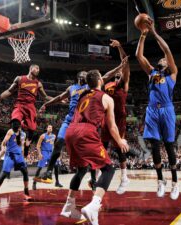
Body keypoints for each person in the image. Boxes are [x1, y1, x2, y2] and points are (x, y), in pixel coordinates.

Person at [38, 59, 128, 186]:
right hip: (70, 119)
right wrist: (46, 104)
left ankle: (93, 178)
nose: (84, 75)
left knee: (90, 152)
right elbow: (59, 98)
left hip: (85, 121)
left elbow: (106, 76)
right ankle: (48, 173)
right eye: (82, 74)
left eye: (87, 74)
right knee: (58, 143)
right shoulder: (72, 88)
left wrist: (119, 67)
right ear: (78, 77)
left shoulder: (89, 88)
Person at [60, 70, 129, 224]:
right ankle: (94, 205)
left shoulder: (83, 93)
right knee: (108, 168)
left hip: (71, 131)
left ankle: (68, 206)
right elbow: (111, 127)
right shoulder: (106, 98)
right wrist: (120, 141)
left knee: (82, 169)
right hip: (86, 131)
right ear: (99, 80)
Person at [136, 18, 179, 200]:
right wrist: (142, 37)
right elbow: (139, 56)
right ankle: (160, 180)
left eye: (164, 60)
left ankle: (175, 182)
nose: (162, 60)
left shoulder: (173, 74)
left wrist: (154, 32)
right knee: (154, 145)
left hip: (167, 110)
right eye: (160, 59)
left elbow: (167, 50)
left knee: (169, 146)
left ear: (168, 64)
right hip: (152, 110)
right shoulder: (152, 72)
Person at [0, 64, 52, 160]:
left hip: (30, 107)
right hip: (20, 105)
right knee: (15, 123)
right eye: (36, 68)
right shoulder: (19, 79)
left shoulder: (38, 83)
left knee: (32, 130)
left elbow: (45, 97)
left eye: (39, 69)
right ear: (31, 68)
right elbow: (9, 91)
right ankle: (18, 138)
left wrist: (58, 99)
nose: (38, 70)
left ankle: (26, 147)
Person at [101, 39, 131, 195]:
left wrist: (119, 46)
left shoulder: (123, 83)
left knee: (119, 149)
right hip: (107, 117)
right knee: (102, 146)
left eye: (122, 72)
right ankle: (100, 176)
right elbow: (105, 76)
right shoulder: (106, 85)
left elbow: (125, 62)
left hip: (119, 119)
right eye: (118, 72)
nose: (120, 72)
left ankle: (124, 178)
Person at [0, 126, 31, 201]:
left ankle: (26, 193)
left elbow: (22, 146)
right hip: (10, 155)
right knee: (4, 174)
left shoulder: (24, 134)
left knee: (25, 172)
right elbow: (3, 142)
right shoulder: (11, 131)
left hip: (19, 155)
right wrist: (3, 147)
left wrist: (23, 156)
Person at [33, 125, 62, 189]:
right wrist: (40, 154)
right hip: (44, 152)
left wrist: (56, 153)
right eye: (49, 127)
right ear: (46, 129)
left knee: (56, 166)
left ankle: (57, 182)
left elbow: (54, 145)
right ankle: (34, 183)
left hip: (51, 152)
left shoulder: (54, 136)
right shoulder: (43, 136)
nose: (50, 128)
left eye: (51, 128)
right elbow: (38, 145)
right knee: (39, 168)